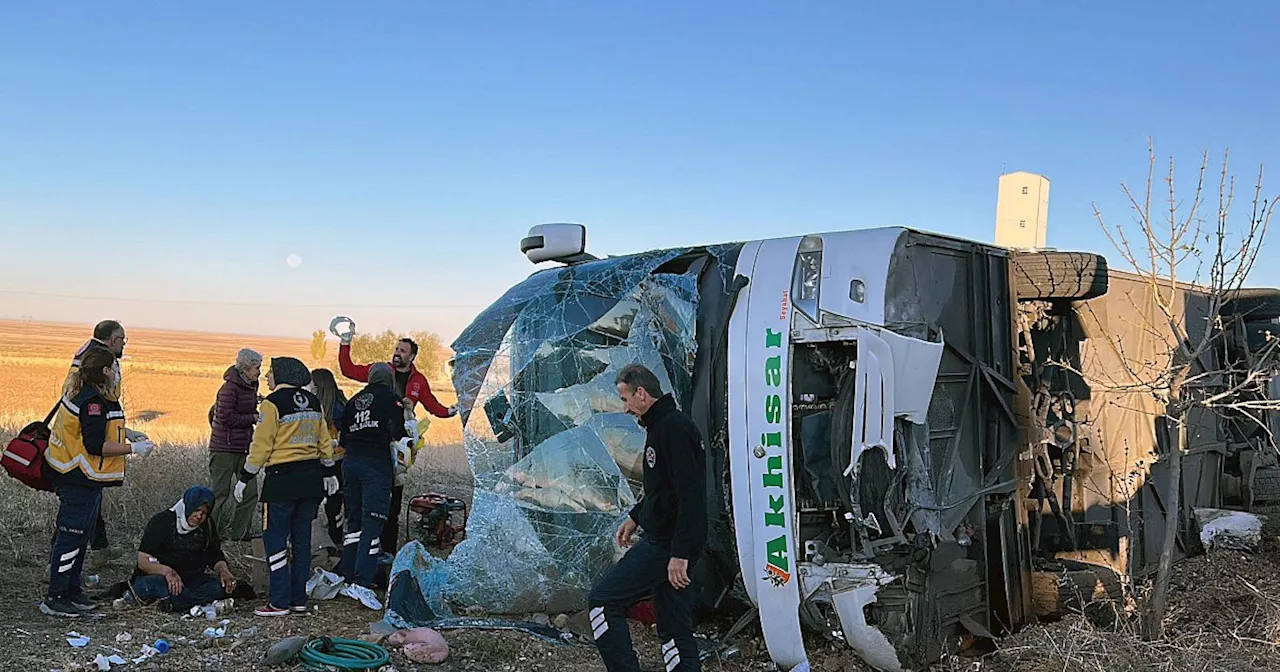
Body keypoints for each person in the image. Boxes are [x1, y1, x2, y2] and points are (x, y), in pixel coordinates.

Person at [588, 364, 707, 672]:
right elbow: (662, 488)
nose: (625, 408)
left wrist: (679, 554)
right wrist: (636, 516)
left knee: (602, 602)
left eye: (625, 399)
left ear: (641, 393)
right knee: (674, 626)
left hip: (668, 545)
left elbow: (690, 496)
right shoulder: (659, 426)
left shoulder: (674, 429)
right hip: (669, 540)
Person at [41, 347, 156, 617]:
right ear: (105, 371)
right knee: (71, 538)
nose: (118, 373)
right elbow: (94, 444)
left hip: (86, 478)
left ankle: (72, 590)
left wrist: (127, 434)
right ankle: (56, 596)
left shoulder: (92, 396)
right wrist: (132, 450)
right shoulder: (91, 401)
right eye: (115, 368)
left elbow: (99, 427)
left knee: (81, 537)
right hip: (76, 477)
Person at [337, 326, 456, 560]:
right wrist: (345, 342)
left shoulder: (418, 381)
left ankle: (387, 551)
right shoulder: (380, 371)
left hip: (398, 448)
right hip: (373, 443)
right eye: (396, 349)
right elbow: (348, 369)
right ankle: (359, 548)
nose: (397, 353)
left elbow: (434, 406)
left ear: (412, 356)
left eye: (402, 351)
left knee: (393, 499)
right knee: (364, 497)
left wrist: (453, 410)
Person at [233, 357, 337, 617]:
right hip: (311, 480)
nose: (267, 377)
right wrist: (329, 471)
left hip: (281, 480)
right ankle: (298, 601)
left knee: (276, 540)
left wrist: (246, 476)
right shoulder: (313, 402)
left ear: (282, 374)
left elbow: (262, 444)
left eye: (270, 372)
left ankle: (278, 602)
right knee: (302, 542)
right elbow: (324, 440)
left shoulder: (271, 404)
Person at [61, 320, 145, 562]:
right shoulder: (99, 362)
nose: (124, 345)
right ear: (112, 340)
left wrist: (124, 431)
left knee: (90, 500)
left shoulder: (88, 353)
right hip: (82, 449)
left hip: (85, 435)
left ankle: (99, 548)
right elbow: (95, 437)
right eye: (122, 339)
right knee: (77, 506)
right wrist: (132, 447)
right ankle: (59, 566)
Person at [336, 363, 407, 610]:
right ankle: (363, 583)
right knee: (373, 522)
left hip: (350, 463)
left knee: (353, 521)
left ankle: (347, 574)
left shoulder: (353, 400)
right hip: (375, 465)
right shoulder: (392, 399)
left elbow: (342, 438)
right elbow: (398, 433)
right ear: (389, 380)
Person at [129, 486, 239, 612]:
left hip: (190, 579)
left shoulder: (207, 525)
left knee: (220, 587)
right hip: (161, 578)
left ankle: (179, 603)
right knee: (154, 586)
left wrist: (223, 571)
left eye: (204, 513)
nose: (199, 516)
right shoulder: (161, 521)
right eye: (196, 510)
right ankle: (190, 602)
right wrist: (167, 572)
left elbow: (214, 556)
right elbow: (143, 561)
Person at [208, 348, 263, 541]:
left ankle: (240, 534)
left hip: (245, 448)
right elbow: (224, 417)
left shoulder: (251, 386)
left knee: (250, 493)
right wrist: (253, 418)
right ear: (246, 368)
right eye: (257, 367)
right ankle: (209, 535)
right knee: (219, 494)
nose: (259, 372)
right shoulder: (229, 389)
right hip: (224, 449)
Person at [310, 368, 348, 549]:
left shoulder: (337, 407)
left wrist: (334, 442)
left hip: (335, 461)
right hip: (328, 460)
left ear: (318, 386)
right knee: (330, 503)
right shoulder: (335, 403)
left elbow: (345, 433)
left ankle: (334, 542)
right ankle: (332, 540)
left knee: (331, 504)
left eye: (312, 384)